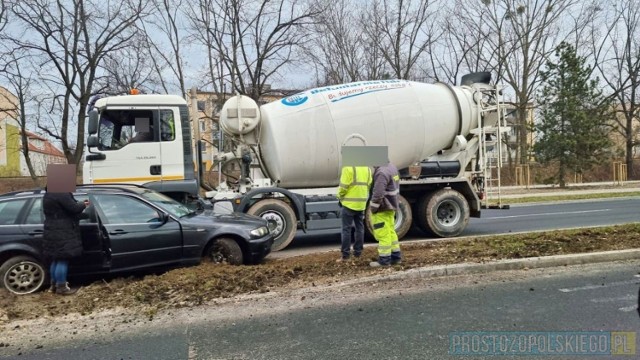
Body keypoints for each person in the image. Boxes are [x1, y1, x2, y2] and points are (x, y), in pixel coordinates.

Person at [43, 191, 89, 295]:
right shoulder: (61, 193)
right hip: (62, 231)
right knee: (63, 259)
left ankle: (53, 286)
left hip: (52, 229)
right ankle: (62, 287)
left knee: (56, 259)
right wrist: (83, 204)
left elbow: (63, 210)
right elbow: (74, 208)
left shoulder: (49, 193)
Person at [368, 161, 402, 267]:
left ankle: (384, 260)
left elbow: (378, 193)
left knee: (383, 234)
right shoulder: (391, 167)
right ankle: (396, 257)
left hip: (382, 207)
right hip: (391, 206)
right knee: (390, 232)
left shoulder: (381, 172)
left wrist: (373, 208)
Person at [336, 166, 372, 261]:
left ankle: (346, 255)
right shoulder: (367, 168)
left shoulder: (348, 168)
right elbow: (369, 184)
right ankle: (358, 253)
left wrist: (339, 196)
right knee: (360, 228)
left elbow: (343, 187)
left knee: (346, 229)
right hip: (361, 204)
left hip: (348, 204)